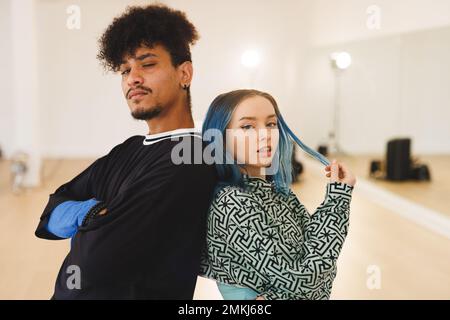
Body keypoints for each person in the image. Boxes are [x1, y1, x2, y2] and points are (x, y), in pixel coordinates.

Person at [35, 4, 216, 299]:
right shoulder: (127, 149)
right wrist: (90, 211)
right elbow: (50, 212)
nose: (132, 78)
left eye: (147, 64)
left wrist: (80, 223)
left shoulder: (191, 157)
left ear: (184, 73)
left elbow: (96, 260)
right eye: (125, 70)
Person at [199, 89, 356, 300]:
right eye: (247, 126)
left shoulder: (276, 191)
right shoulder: (232, 202)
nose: (265, 134)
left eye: (271, 124)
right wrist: (338, 199)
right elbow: (307, 279)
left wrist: (337, 194)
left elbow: (317, 262)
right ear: (220, 138)